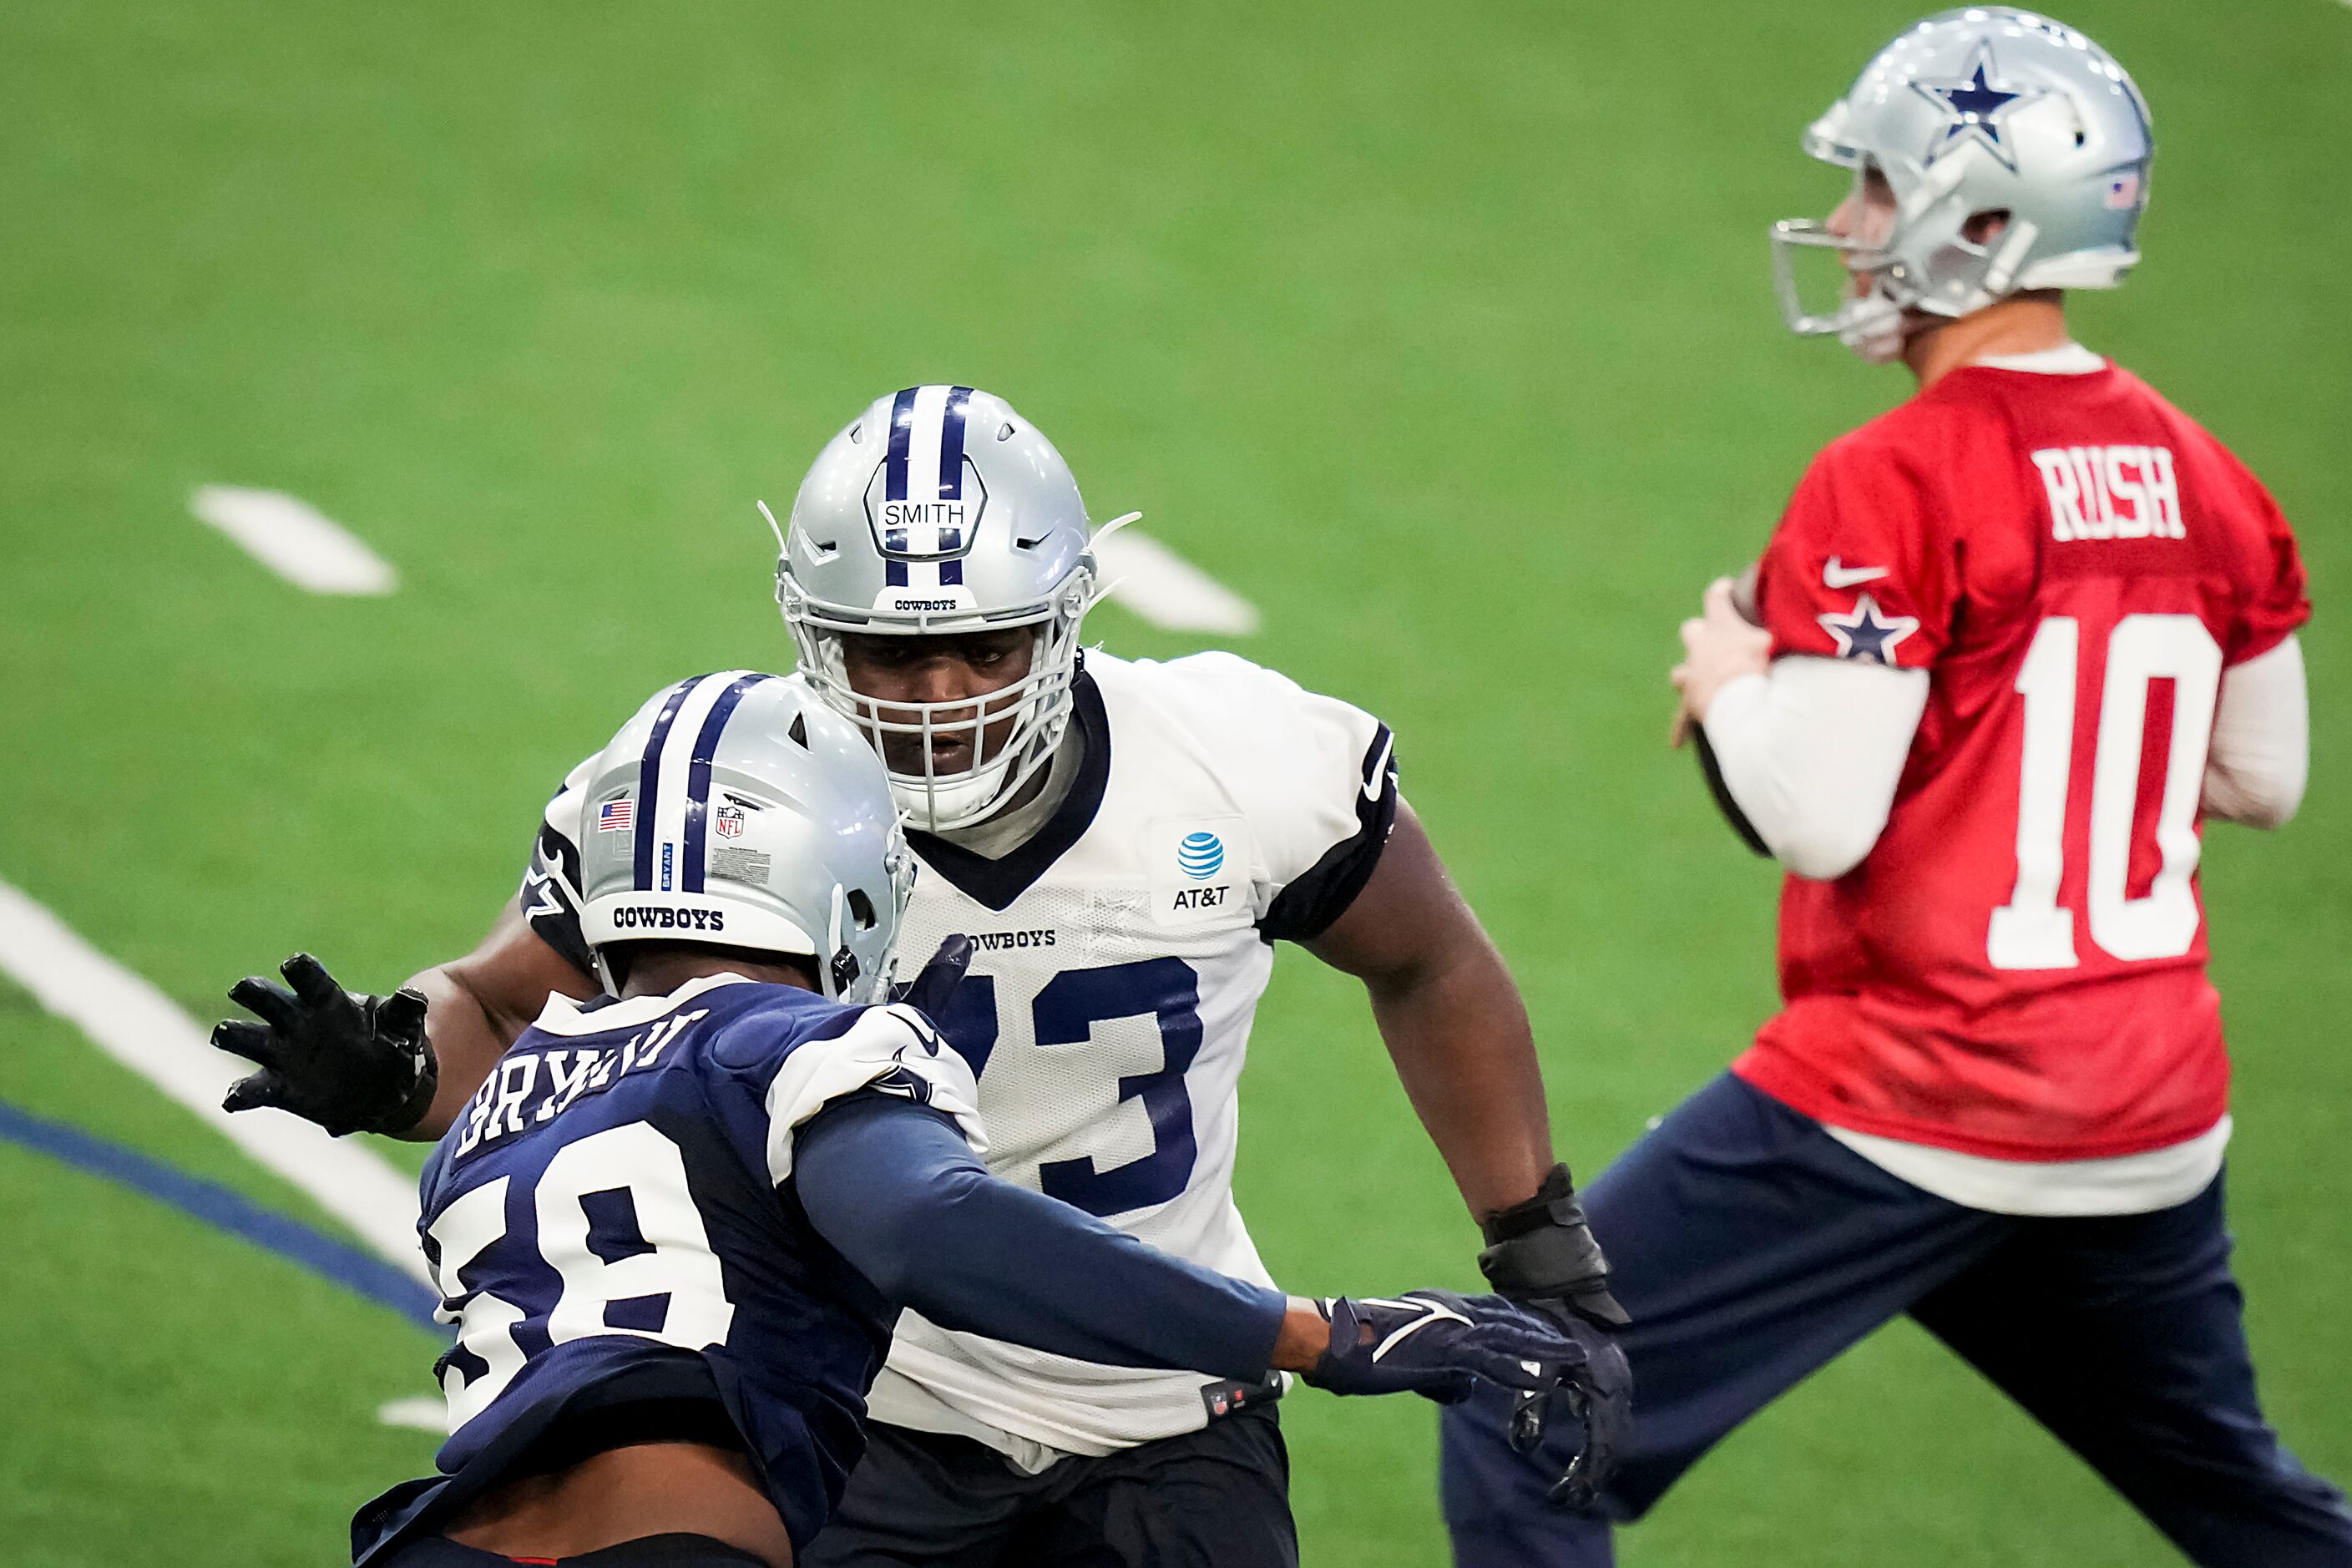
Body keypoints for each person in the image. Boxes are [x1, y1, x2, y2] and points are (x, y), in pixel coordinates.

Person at [214, 385, 1629, 1565]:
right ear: (815, 639)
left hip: (1169, 1400)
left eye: (981, 645)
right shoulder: (742, 793)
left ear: (1067, 614)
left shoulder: (1237, 759)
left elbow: (1426, 957)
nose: (942, 694)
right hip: (861, 1409)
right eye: (893, 654)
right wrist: (400, 1064)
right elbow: (519, 1012)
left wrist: (1536, 1236)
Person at [1439, 9, 2352, 1566]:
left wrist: (1733, 683)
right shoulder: (2212, 474)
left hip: (1911, 1098)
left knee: (1527, 1409)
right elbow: (2262, 779)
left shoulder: (1895, 473)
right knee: (2247, 1507)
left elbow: (1818, 816)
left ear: (1985, 222)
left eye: (1874, 187)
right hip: (2142, 1114)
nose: (1851, 226)